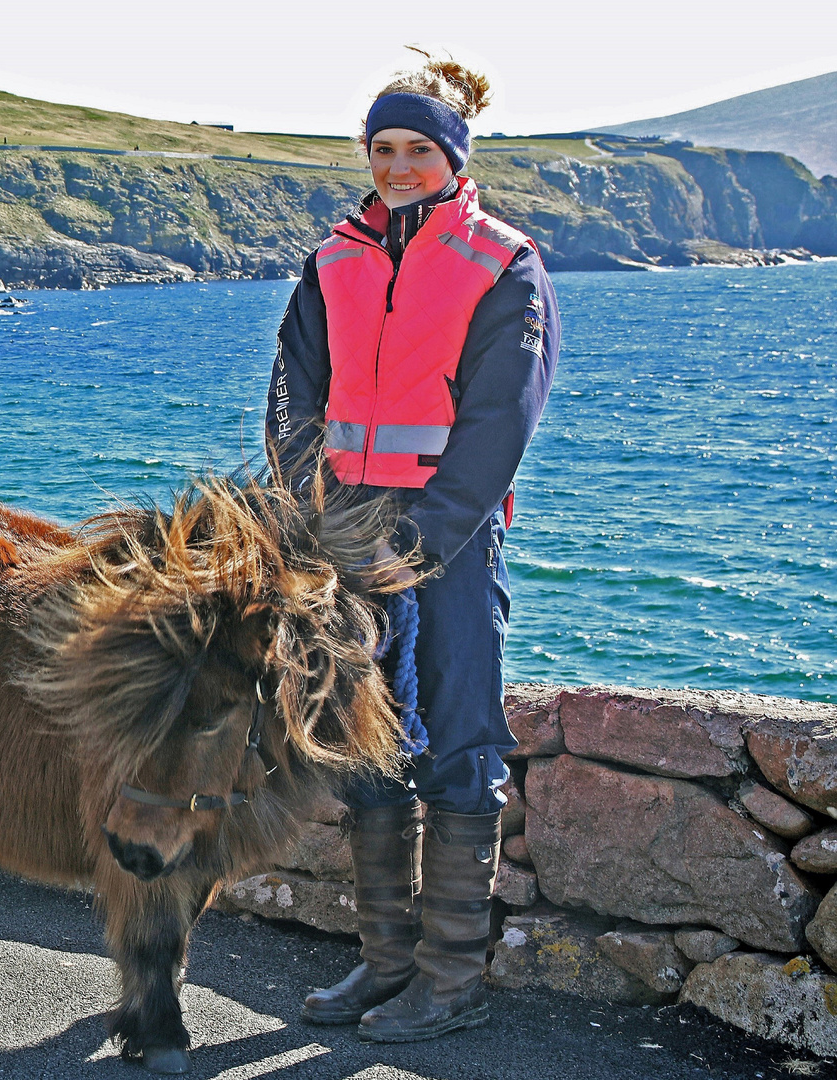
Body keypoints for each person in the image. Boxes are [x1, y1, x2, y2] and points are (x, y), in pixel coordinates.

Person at [263, 51, 559, 1042]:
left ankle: (451, 977)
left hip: (453, 548)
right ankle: (386, 965)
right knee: (360, 741)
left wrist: (424, 541)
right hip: (345, 538)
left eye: (416, 150)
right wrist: (314, 516)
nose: (395, 166)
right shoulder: (333, 259)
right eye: (381, 148)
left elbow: (500, 419)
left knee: (462, 742)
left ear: (454, 157)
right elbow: (292, 396)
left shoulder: (502, 262)